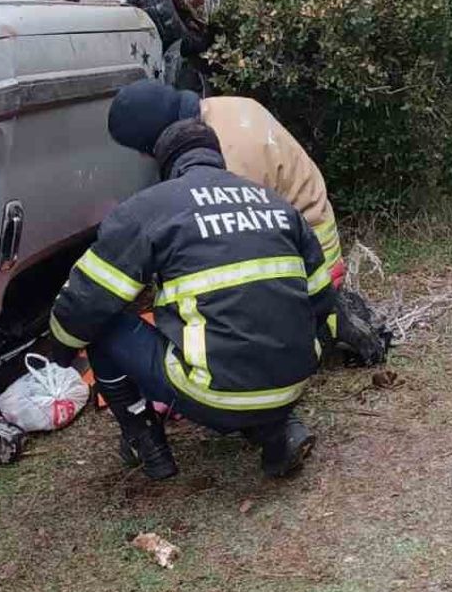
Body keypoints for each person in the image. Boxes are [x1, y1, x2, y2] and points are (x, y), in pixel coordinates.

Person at [48, 120, 336, 479]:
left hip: (216, 394)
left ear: (166, 165)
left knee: (101, 325)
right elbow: (321, 299)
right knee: (253, 331)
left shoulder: (152, 208)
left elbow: (84, 303)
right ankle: (277, 430)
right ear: (217, 157)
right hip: (294, 380)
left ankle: (145, 443)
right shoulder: (274, 203)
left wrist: (61, 351)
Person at [108, 80, 389, 366]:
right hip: (313, 234)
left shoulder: (226, 161)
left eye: (142, 148)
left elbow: (228, 245)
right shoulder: (229, 108)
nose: (142, 156)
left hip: (303, 258)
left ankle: (332, 326)